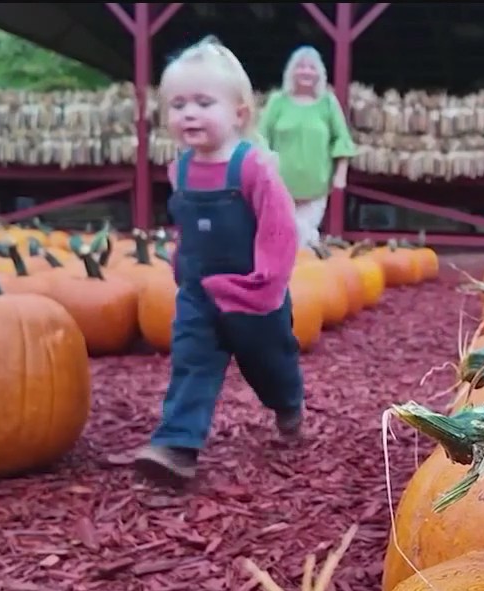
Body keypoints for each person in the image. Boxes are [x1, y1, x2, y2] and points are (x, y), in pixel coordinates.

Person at [131, 37, 306, 483]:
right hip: (199, 294)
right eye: (177, 104)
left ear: (239, 114)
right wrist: (180, 261)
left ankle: (287, 403)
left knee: (269, 365)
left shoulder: (252, 168)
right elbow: (187, 223)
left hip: (253, 294)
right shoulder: (181, 169)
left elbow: (280, 228)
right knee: (191, 362)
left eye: (203, 102)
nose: (188, 113)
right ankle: (177, 446)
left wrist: (267, 282)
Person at [258, 45, 357, 251]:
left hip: (315, 187)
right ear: (291, 71)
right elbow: (260, 138)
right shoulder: (278, 102)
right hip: (279, 187)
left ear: (320, 74)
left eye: (312, 68)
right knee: (280, 236)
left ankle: (304, 276)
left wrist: (341, 173)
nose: (306, 72)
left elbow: (341, 139)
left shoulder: (328, 103)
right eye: (300, 66)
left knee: (302, 237)